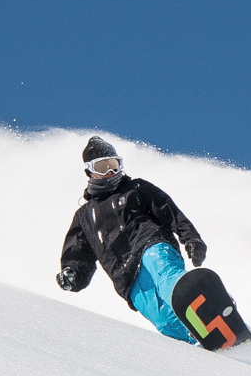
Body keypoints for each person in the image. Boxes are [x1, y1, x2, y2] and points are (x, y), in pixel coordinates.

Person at [56, 136, 209, 344]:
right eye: (103, 166)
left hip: (151, 246)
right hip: (125, 277)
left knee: (170, 286)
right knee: (163, 321)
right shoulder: (84, 216)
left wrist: (192, 239)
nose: (111, 171)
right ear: (89, 171)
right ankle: (202, 340)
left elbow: (170, 211)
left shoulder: (135, 189)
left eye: (114, 165)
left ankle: (212, 309)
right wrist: (72, 273)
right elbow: (78, 252)